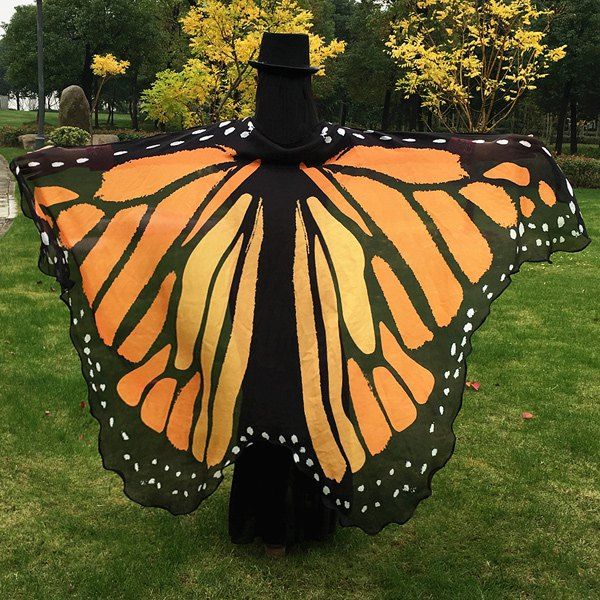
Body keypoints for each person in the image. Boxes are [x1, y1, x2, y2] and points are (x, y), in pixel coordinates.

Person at [228, 33, 337, 557]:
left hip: (253, 305)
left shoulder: (235, 155)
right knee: (312, 399)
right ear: (307, 88)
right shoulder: (334, 157)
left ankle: (261, 520)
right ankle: (310, 521)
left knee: (261, 400)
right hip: (317, 302)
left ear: (262, 86)